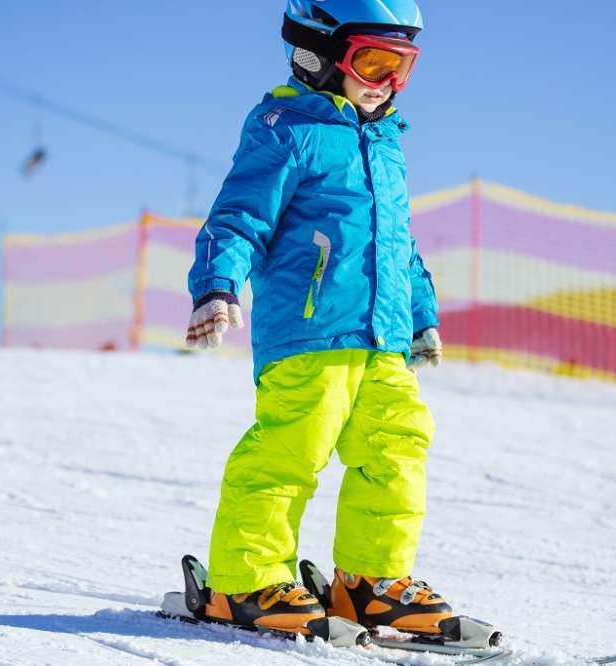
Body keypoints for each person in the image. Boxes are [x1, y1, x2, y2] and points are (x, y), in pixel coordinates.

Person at [184, 0, 447, 638]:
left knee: (398, 446)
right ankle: (245, 580)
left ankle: (369, 580)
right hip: (307, 332)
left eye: (403, 67)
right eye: (374, 62)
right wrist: (218, 285)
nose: (389, 84)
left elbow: (397, 242)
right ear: (317, 52)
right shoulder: (287, 127)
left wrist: (420, 313)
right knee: (289, 451)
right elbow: (239, 215)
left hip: (382, 339)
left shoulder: (385, 141)